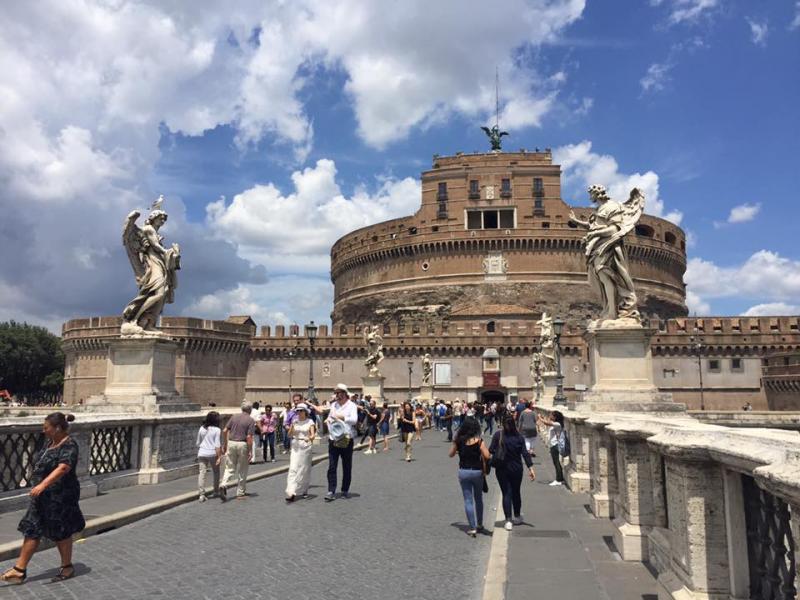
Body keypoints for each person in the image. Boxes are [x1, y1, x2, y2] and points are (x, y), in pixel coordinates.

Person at [2, 413, 85, 584]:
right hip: (43, 497)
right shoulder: (49, 443)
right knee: (32, 527)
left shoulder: (69, 445)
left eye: (46, 427)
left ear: (58, 428)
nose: (43, 430)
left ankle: (67, 566)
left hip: (60, 496)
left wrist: (42, 485)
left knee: (60, 530)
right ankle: (20, 569)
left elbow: (63, 468)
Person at [489, 416, 536, 531]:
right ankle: (517, 516)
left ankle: (508, 520)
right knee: (516, 492)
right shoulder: (519, 437)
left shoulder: (498, 436)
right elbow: (525, 453)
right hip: (516, 468)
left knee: (506, 493)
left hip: (502, 469)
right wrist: (531, 468)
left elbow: (490, 450)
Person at [448, 416, 490, 537]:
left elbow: (450, 454)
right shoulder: (479, 441)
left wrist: (456, 447)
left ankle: (472, 527)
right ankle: (480, 524)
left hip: (464, 471)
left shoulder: (459, 440)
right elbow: (487, 456)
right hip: (477, 472)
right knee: (478, 498)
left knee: (468, 500)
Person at [325, 384, 358, 502]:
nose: (337, 395)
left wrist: (343, 417)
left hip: (346, 439)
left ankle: (345, 489)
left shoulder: (352, 405)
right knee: (332, 466)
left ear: (344, 393)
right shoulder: (334, 405)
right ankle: (331, 490)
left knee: (347, 465)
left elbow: (354, 420)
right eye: (336, 393)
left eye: (339, 393)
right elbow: (330, 417)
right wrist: (328, 420)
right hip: (333, 438)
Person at [220, 400, 256, 500]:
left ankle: (224, 483)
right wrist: (250, 451)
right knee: (243, 469)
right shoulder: (250, 420)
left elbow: (224, 430)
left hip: (231, 442)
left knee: (229, 467)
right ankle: (240, 492)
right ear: (250, 409)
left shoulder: (234, 416)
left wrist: (225, 444)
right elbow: (249, 437)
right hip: (242, 444)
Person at [285, 403, 316, 502]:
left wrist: (309, 438)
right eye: (297, 411)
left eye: (301, 411)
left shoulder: (310, 421)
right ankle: (291, 491)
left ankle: (304, 489)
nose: (298, 412)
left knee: (304, 469)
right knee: (293, 468)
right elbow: (289, 435)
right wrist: (292, 426)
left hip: (305, 446)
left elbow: (313, 435)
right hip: (295, 445)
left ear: (305, 412)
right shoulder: (295, 421)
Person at [196, 411, 222, 502]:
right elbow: (217, 445)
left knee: (202, 473)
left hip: (202, 452)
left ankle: (201, 494)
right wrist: (219, 457)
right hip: (212, 453)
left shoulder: (202, 428)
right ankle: (216, 491)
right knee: (216, 472)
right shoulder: (217, 430)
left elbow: (198, 442)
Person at [539, 410, 565, 486]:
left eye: (551, 415)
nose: (550, 416)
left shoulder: (557, 424)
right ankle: (560, 478)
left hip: (555, 444)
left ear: (555, 417)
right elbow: (548, 423)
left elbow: (546, 423)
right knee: (556, 462)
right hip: (553, 444)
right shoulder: (555, 424)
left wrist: (540, 418)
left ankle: (558, 479)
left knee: (556, 462)